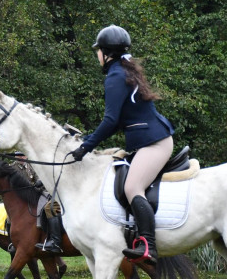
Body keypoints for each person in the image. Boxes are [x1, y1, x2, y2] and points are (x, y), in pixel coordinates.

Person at [68, 25, 175, 261]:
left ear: (107, 53)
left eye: (98, 51)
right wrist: (89, 140)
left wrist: (85, 148)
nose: (97, 55)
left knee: (132, 188)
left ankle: (147, 245)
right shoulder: (124, 71)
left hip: (155, 142)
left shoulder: (115, 76)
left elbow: (111, 120)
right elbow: (117, 122)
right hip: (153, 138)